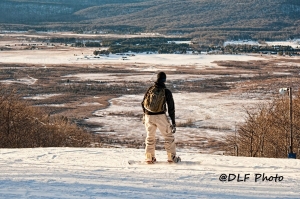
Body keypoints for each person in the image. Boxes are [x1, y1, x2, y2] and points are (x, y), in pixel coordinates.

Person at [141, 72, 180, 163]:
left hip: (148, 116)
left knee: (150, 137)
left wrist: (145, 115)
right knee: (168, 137)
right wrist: (173, 122)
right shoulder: (166, 91)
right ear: (164, 80)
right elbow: (171, 108)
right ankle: (171, 157)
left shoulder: (150, 89)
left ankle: (149, 158)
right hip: (160, 116)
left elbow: (143, 103)